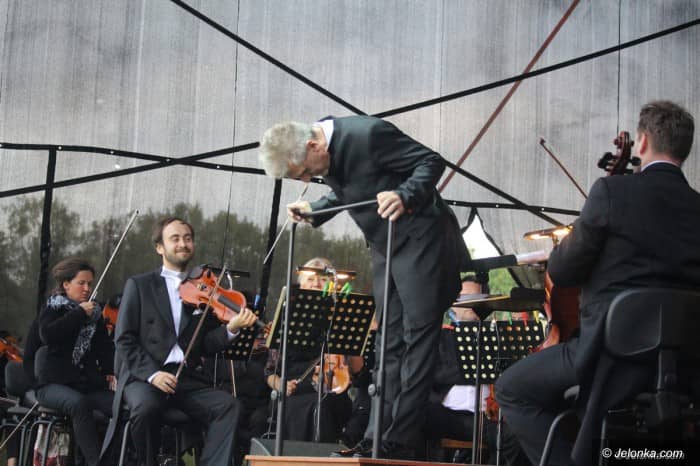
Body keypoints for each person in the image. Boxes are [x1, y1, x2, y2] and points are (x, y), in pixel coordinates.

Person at [495, 101, 700, 466]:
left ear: (641, 141)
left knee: (511, 389)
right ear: (685, 149)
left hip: (607, 353)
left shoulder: (611, 192)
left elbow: (563, 271)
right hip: (683, 364)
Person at [259, 116, 470, 459]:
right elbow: (353, 187)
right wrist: (315, 208)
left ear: (313, 145)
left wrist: (404, 195)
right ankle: (374, 438)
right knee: (387, 342)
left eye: (304, 172)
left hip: (423, 240)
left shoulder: (369, 134)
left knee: (417, 340)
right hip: (387, 246)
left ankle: (399, 439)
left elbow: (431, 162)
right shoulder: (323, 147)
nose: (307, 179)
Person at [110, 217, 258, 466]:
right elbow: (124, 339)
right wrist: (153, 375)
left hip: (185, 378)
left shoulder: (203, 289)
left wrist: (231, 329)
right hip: (146, 377)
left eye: (188, 238)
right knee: (145, 409)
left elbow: (205, 345)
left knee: (228, 406)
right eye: (175, 239)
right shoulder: (140, 285)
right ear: (160, 247)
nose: (183, 244)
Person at [34, 258, 115, 466]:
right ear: (66, 284)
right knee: (78, 404)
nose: (87, 289)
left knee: (120, 404)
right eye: (82, 283)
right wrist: (78, 314)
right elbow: (49, 336)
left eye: (90, 284)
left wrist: (112, 372)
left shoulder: (94, 315)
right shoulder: (53, 308)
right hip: (52, 385)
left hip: (85, 386)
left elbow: (105, 348)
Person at [263, 257, 353, 443]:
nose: (316, 283)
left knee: (324, 404)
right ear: (301, 284)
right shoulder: (287, 316)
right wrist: (280, 384)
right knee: (302, 406)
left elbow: (352, 369)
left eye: (323, 279)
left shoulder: (339, 314)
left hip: (329, 389)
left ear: (331, 285)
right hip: (293, 391)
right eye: (310, 279)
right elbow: (269, 372)